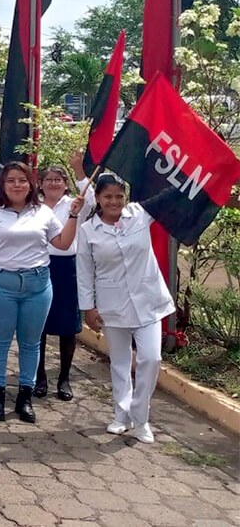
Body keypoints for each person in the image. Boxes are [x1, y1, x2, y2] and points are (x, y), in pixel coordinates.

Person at [0, 161, 83, 423]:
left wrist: (74, 216)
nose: (17, 185)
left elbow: (63, 244)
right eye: (11, 180)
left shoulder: (42, 212)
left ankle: (25, 395)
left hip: (37, 285)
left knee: (31, 344)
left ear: (31, 184)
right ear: (2, 184)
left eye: (22, 180)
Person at [76, 175, 173, 444]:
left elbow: (169, 195)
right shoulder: (88, 230)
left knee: (151, 359)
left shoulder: (140, 214)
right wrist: (88, 307)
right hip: (112, 304)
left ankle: (141, 417)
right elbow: (84, 271)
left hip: (148, 300)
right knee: (119, 363)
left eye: (119, 196)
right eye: (108, 196)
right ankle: (121, 415)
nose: (114, 202)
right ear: (98, 199)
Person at [36, 165, 89, 401]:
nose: (53, 184)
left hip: (67, 269)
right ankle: (39, 377)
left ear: (65, 183)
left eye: (58, 180)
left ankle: (64, 378)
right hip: (39, 266)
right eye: (48, 179)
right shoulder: (33, 206)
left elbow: (92, 199)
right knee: (38, 326)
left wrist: (79, 172)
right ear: (40, 183)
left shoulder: (75, 205)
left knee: (68, 327)